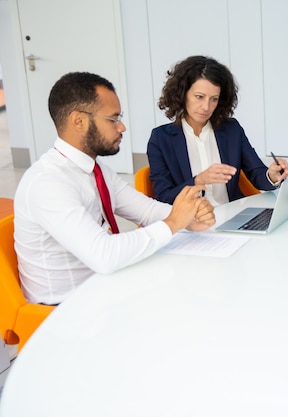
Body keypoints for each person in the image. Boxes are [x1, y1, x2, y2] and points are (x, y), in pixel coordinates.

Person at [14, 72, 216, 305]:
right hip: (65, 310)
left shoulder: (95, 170)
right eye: (113, 119)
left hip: (101, 289)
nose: (122, 127)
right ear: (78, 121)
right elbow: (104, 255)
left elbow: (146, 211)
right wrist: (172, 223)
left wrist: (188, 218)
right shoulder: (48, 183)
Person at [147, 55, 288, 206]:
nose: (206, 107)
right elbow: (163, 197)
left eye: (213, 99)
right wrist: (198, 181)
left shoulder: (232, 130)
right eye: (199, 97)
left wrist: (272, 176)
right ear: (182, 94)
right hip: (191, 222)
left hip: (232, 216)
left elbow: (257, 173)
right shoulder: (161, 139)